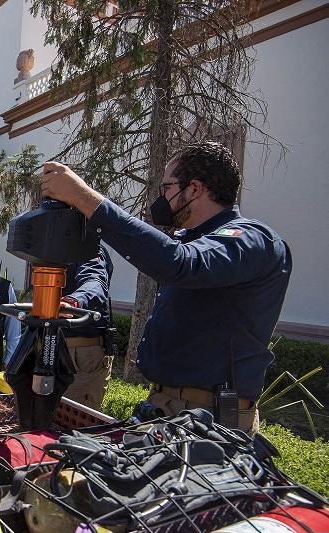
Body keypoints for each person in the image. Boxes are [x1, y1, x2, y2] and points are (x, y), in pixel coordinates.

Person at [39, 141, 292, 434]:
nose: (161, 198)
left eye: (167, 188)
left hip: (210, 416)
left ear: (195, 189)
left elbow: (178, 264)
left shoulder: (249, 239)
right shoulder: (194, 240)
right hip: (171, 406)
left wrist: (85, 199)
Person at [59, 245, 115, 409]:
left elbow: (94, 281)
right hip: (52, 345)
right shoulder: (54, 248)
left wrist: (73, 302)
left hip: (80, 354)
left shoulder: (90, 248)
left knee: (71, 420)